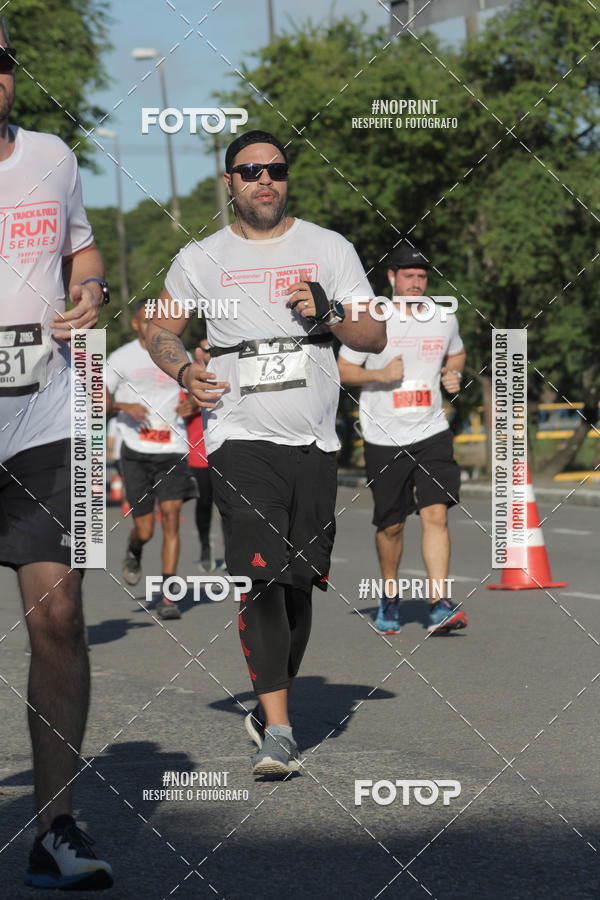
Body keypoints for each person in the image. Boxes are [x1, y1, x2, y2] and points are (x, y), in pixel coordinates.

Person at [145, 129, 385, 777]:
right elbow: (159, 325)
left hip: (315, 441)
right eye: (250, 171)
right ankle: (279, 729)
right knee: (260, 576)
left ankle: (268, 700)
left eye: (275, 169)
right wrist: (182, 370)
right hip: (238, 436)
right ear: (229, 182)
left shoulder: (329, 248)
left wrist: (330, 311)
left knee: (298, 584)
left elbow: (373, 333)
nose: (264, 180)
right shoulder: (201, 257)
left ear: (286, 177)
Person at [0, 19, 113, 890]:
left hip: (48, 416)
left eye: (1, 64)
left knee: (61, 615)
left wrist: (91, 287)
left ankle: (55, 827)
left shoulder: (52, 156)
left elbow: (82, 246)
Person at [338, 245, 468, 635]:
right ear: (392, 277)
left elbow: (457, 354)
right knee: (391, 526)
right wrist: (377, 375)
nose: (416, 282)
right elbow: (343, 370)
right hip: (383, 435)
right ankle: (391, 596)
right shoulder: (373, 320)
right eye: (408, 275)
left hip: (431, 431)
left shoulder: (443, 317)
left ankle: (439, 604)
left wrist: (454, 375)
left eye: (422, 276)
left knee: (436, 514)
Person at [106, 298, 195, 621]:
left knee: (171, 516)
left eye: (157, 320)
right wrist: (123, 407)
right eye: (146, 321)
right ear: (135, 323)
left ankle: (168, 596)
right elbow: (96, 398)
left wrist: (193, 404)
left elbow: (198, 390)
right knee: (145, 530)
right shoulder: (121, 357)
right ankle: (135, 549)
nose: (152, 326)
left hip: (172, 446)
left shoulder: (178, 353)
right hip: (135, 450)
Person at [176, 338, 225, 572]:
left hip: (228, 449)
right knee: (204, 503)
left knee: (230, 505)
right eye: (205, 350)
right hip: (200, 454)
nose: (209, 354)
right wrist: (196, 399)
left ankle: (232, 551)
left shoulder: (228, 373)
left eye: (212, 349)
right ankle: (205, 546)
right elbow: (182, 409)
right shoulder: (189, 380)